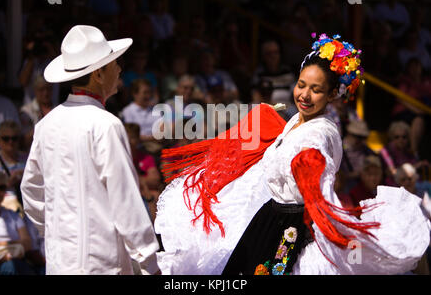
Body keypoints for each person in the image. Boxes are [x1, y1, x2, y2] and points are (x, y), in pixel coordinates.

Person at [154, 34, 430, 275]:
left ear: (333, 94)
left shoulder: (320, 132)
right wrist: (266, 115)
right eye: (301, 85)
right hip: (268, 219)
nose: (305, 95)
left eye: (316, 89)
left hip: (292, 230)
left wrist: (308, 165)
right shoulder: (296, 120)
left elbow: (312, 154)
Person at [20, 25, 160, 275]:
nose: (119, 68)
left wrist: (57, 231)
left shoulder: (45, 125)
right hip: (102, 264)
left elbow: (31, 192)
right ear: (98, 73)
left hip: (60, 262)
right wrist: (149, 262)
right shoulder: (105, 125)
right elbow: (125, 201)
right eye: (114, 63)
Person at [0, 171, 35, 275]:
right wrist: (13, 246)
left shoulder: (13, 215)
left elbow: (27, 243)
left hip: (16, 261)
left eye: (2, 188)